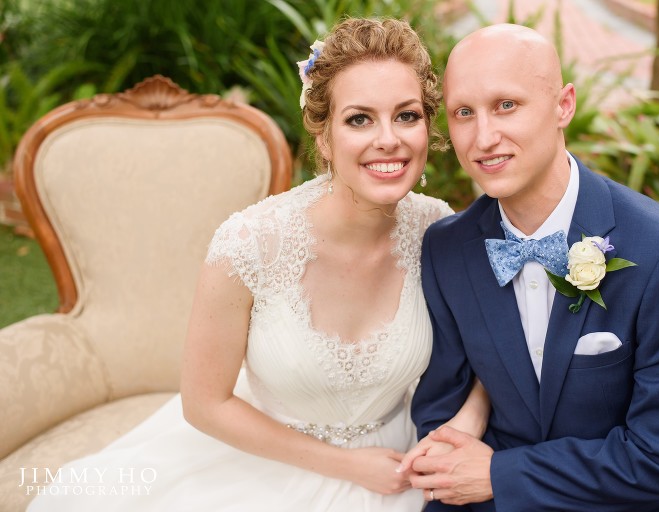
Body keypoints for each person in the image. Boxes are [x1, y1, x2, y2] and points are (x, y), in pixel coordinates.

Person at [26, 17, 489, 512]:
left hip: (406, 467)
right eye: (359, 119)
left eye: (406, 116)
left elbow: (495, 347)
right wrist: (349, 466)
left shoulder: (438, 230)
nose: (388, 139)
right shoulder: (249, 244)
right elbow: (205, 404)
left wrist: (467, 424)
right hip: (271, 465)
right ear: (324, 137)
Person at [402, 23, 659, 511]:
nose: (484, 137)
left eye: (506, 105)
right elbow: (440, 412)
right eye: (464, 112)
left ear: (563, 105)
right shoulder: (447, 250)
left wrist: (500, 475)